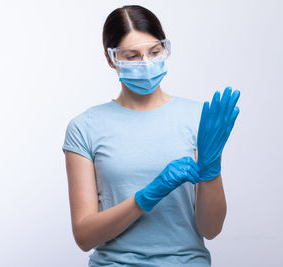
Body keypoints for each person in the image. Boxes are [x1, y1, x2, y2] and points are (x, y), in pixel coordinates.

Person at [62, 4, 240, 266]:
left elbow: (211, 229)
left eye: (154, 51)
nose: (146, 63)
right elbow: (85, 236)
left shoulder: (199, 120)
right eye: (131, 56)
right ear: (111, 58)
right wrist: (148, 195)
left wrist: (212, 169)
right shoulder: (84, 127)